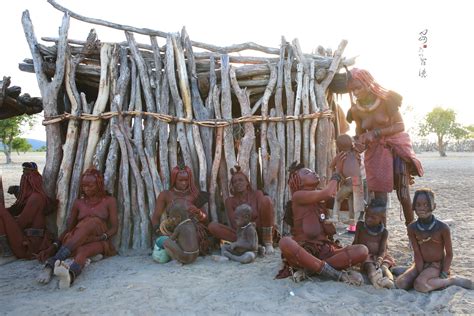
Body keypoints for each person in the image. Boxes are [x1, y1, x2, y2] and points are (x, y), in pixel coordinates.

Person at [346, 68, 423, 226]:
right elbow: (360, 133)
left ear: (367, 83)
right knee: (379, 198)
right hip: (375, 154)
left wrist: (376, 133)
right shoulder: (355, 110)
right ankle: (381, 234)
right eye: (352, 89)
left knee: (403, 194)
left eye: (358, 87)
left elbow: (400, 126)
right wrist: (357, 142)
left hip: (394, 150)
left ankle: (412, 231)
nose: (355, 92)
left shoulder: (387, 100)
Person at [277, 157, 369, 285]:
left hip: (326, 251)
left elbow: (346, 205)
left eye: (312, 171)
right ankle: (334, 273)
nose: (313, 173)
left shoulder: (321, 196)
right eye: (307, 173)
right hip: (305, 252)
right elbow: (327, 193)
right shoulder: (298, 196)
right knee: (285, 242)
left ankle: (312, 269)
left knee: (362, 250)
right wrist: (336, 174)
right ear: (298, 182)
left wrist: (352, 183)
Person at [36, 168, 118, 289]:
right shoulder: (78, 203)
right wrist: (54, 245)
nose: (87, 189)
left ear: (99, 185)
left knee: (91, 222)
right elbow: (69, 228)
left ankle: (51, 264)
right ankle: (70, 275)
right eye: (84, 186)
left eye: (90, 185)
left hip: (99, 239)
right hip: (78, 240)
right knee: (82, 251)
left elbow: (115, 227)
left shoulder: (109, 201)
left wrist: (100, 237)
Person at [395, 189, 472, 292]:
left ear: (433, 206)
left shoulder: (442, 228)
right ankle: (411, 271)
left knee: (420, 285)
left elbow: (449, 254)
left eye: (426, 205)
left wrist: (444, 272)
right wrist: (419, 270)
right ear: (414, 206)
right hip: (421, 263)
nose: (422, 208)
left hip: (437, 265)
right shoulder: (412, 228)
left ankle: (452, 281)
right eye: (418, 205)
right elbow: (417, 252)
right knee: (401, 283)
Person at [208, 166, 276, 254]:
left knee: (267, 200)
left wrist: (252, 226)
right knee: (212, 226)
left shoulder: (257, 194)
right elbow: (235, 224)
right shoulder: (229, 201)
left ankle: (268, 243)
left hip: (262, 232)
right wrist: (249, 227)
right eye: (234, 182)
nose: (238, 183)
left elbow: (264, 216)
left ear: (247, 182)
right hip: (243, 236)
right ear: (232, 185)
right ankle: (254, 246)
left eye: (241, 180)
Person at [0, 162, 54, 265]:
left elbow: (21, 224)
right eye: (24, 172)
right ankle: (6, 252)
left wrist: (8, 217)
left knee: (1, 210)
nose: (25, 177)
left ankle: (9, 254)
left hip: (29, 246)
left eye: (29, 174)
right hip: (23, 240)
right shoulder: (29, 197)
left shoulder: (36, 197)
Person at [151, 165, 210, 255]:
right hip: (172, 229)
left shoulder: (195, 195)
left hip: (192, 229)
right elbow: (156, 217)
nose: (184, 183)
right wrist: (159, 232)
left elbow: (206, 220)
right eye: (180, 180)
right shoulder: (166, 195)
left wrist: (199, 213)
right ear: (174, 180)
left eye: (186, 180)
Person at [352, 199, 395, 289]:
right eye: (367, 215)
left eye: (373, 217)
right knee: (369, 266)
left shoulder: (384, 232)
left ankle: (389, 280)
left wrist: (379, 259)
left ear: (381, 218)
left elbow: (383, 250)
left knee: (384, 267)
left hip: (380, 256)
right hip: (366, 256)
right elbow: (355, 242)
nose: (368, 219)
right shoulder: (360, 226)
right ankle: (375, 280)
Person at [328, 134, 365, 225]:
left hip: (348, 181)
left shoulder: (340, 155)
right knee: (351, 199)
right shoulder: (355, 153)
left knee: (338, 199)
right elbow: (362, 147)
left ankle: (335, 217)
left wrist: (336, 170)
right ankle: (352, 219)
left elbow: (331, 166)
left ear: (338, 146)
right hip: (358, 181)